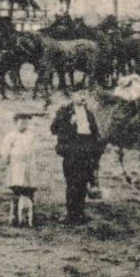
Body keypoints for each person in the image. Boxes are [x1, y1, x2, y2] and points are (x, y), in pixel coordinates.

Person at [50, 90, 101, 225]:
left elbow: (95, 133)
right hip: (71, 152)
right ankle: (71, 214)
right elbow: (53, 129)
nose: (82, 97)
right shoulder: (65, 111)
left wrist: (94, 152)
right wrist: (68, 122)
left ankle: (80, 213)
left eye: (84, 94)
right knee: (72, 183)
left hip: (86, 153)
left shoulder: (89, 113)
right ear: (72, 96)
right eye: (79, 94)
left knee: (83, 183)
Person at [0, 112, 38, 228]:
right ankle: (14, 216)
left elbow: (33, 151)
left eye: (26, 122)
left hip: (28, 167)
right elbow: (5, 152)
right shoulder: (11, 136)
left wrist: (32, 163)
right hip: (16, 167)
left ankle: (29, 217)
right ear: (16, 123)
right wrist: (5, 161)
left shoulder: (30, 136)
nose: (23, 125)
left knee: (29, 191)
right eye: (21, 122)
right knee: (16, 191)